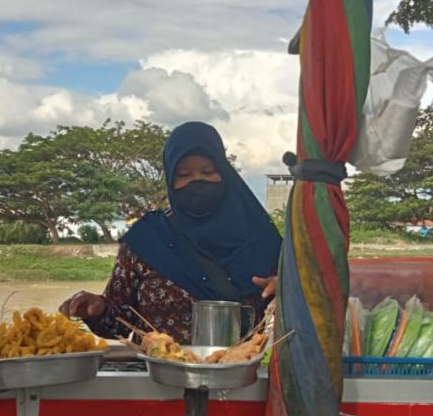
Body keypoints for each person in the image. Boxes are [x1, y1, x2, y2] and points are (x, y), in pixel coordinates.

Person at [59, 121, 282, 344]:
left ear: (225, 174)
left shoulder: (260, 237)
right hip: (159, 375)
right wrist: (97, 309)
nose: (197, 181)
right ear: (170, 179)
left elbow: (301, 301)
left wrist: (285, 287)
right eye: (184, 174)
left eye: (208, 171)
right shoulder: (147, 238)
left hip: (237, 373)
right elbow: (119, 321)